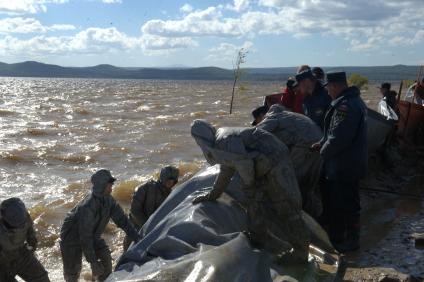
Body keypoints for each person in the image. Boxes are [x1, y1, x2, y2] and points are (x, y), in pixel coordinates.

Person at [190, 120, 310, 264]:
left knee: (287, 208)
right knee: (254, 203)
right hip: (261, 165)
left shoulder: (223, 140)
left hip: (275, 161)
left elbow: (244, 163)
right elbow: (226, 170)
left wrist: (250, 185)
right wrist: (213, 194)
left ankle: (301, 254)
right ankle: (259, 237)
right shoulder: (220, 141)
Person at [311, 71, 368, 253]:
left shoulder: (345, 106)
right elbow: (333, 134)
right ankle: (342, 236)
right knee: (343, 202)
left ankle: (351, 241)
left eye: (328, 88)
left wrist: (323, 152)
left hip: (344, 165)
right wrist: (320, 143)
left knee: (347, 204)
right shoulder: (352, 101)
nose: (327, 92)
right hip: (348, 163)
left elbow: (338, 139)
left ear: (335, 86)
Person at [60, 169, 141, 282]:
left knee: (106, 262)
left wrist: (137, 238)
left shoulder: (109, 201)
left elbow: (122, 220)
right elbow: (85, 238)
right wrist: (93, 262)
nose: (112, 187)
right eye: (109, 184)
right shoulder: (87, 207)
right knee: (73, 273)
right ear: (102, 185)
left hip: (93, 236)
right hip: (71, 239)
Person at [256, 104, 323, 219]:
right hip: (320, 144)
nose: (258, 123)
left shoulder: (272, 117)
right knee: (310, 184)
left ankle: (297, 217)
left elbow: (256, 134)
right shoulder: (289, 115)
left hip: (306, 145)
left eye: (257, 121)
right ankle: (316, 217)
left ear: (262, 115)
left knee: (292, 181)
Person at [123, 165, 179, 251]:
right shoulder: (144, 188)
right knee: (127, 256)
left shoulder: (171, 196)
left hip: (154, 232)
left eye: (173, 180)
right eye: (169, 179)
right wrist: (147, 226)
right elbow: (134, 211)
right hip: (136, 229)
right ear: (163, 177)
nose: (170, 182)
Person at [0, 198, 50, 282]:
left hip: (21, 254)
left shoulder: (23, 216)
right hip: (2, 264)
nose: (16, 229)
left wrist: (31, 248)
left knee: (42, 278)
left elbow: (32, 238)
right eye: (12, 228)